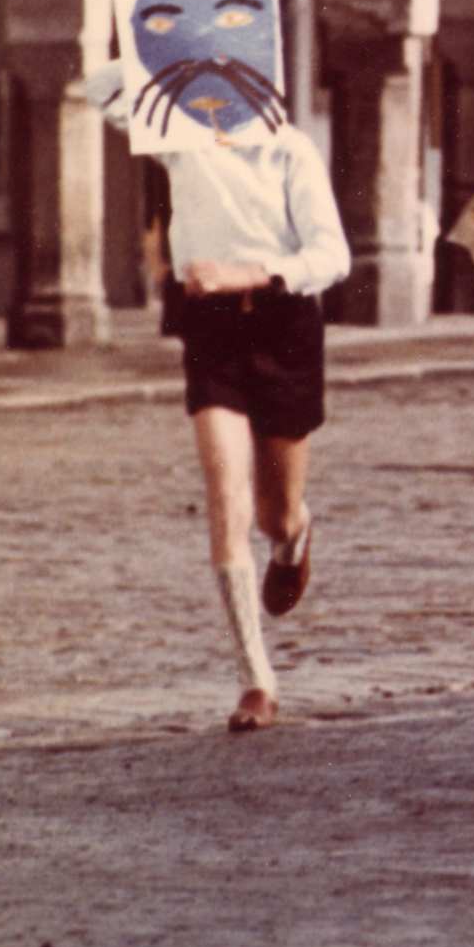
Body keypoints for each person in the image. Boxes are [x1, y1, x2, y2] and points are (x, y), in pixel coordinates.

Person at [83, 59, 352, 735]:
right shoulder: (180, 136)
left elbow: (331, 254)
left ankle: (295, 540)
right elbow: (99, 89)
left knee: (274, 513)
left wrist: (256, 270)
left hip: (283, 320)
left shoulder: (289, 149)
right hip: (212, 329)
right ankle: (255, 677)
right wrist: (162, 36)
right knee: (225, 490)